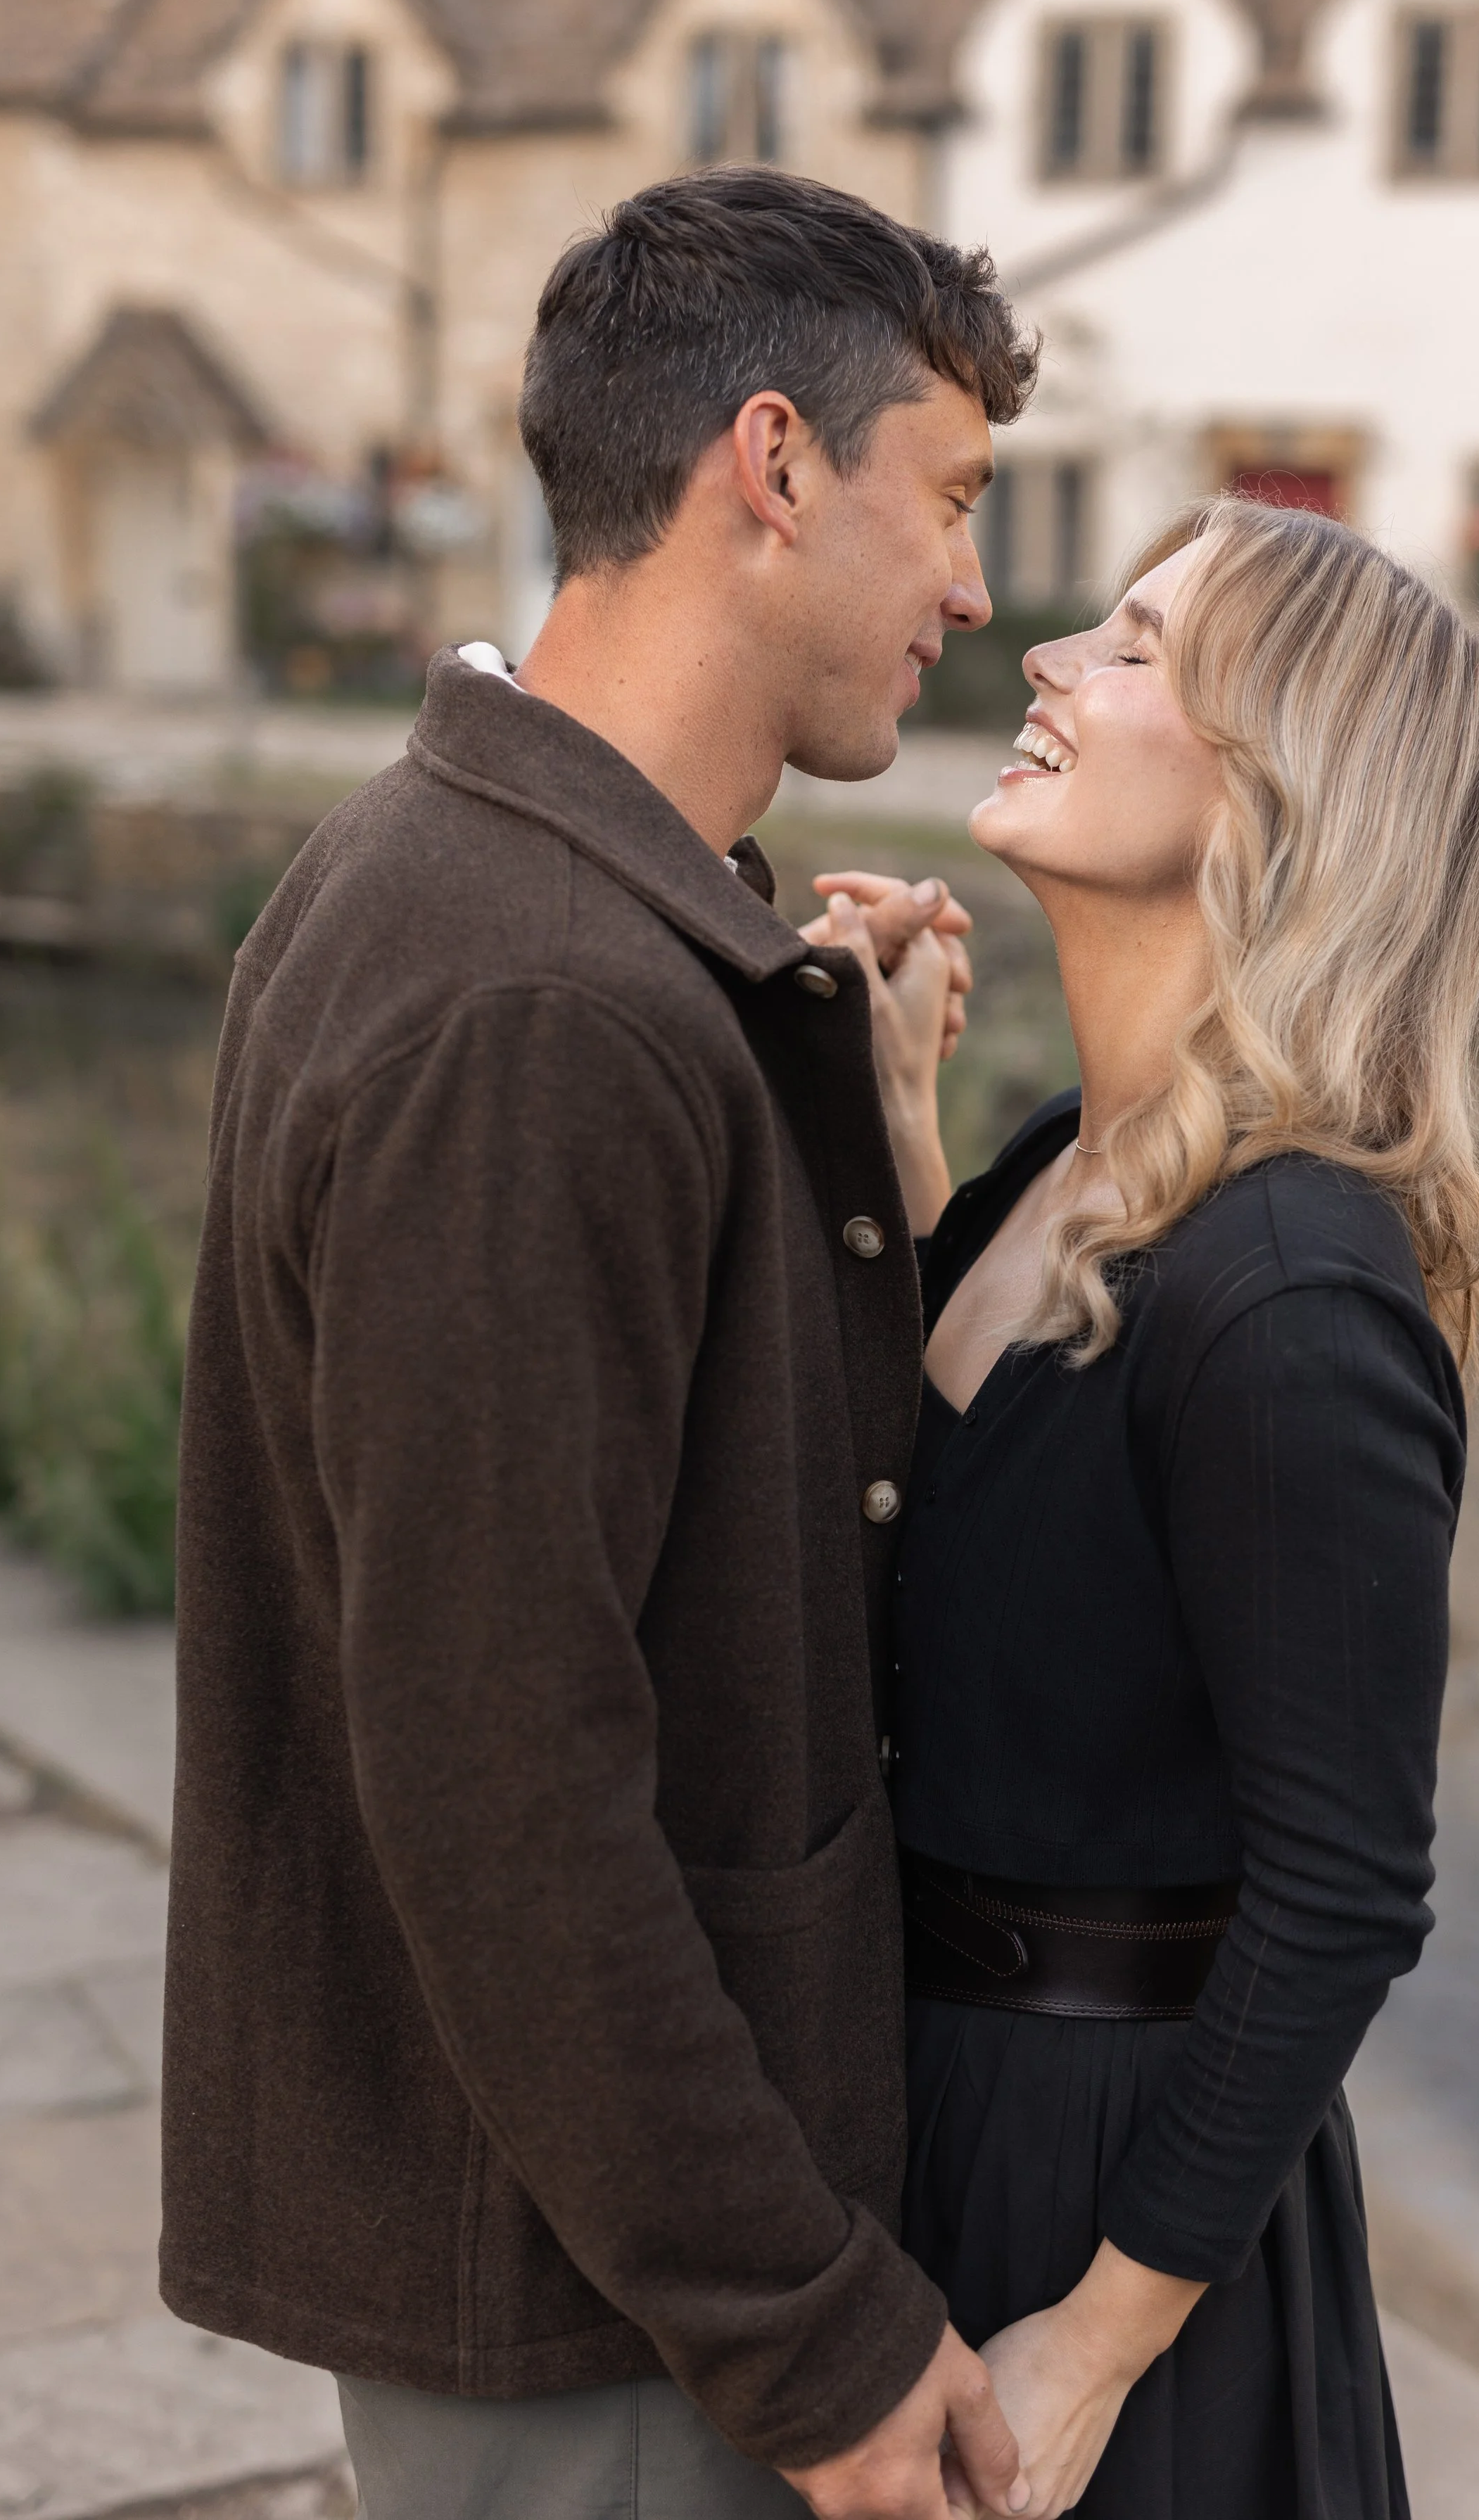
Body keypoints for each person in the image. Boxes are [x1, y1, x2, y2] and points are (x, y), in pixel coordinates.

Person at [160, 167, 1042, 2520]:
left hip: (599, 2255)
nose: (974, 586)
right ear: (771, 465)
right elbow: (496, 1764)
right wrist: (812, 2330)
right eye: (947, 500)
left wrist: (850, 1127)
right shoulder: (537, 999)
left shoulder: (504, 884)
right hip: (614, 2311)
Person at [815, 497, 1479, 2519]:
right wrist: (899, 1148)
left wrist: (1097, 2336)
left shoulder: (1290, 1290)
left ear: (1276, 797)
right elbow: (987, 1575)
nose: (1043, 656)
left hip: (1108, 2196)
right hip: (935, 2108)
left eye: (1133, 647)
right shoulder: (1067, 1155)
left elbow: (1342, 1892)